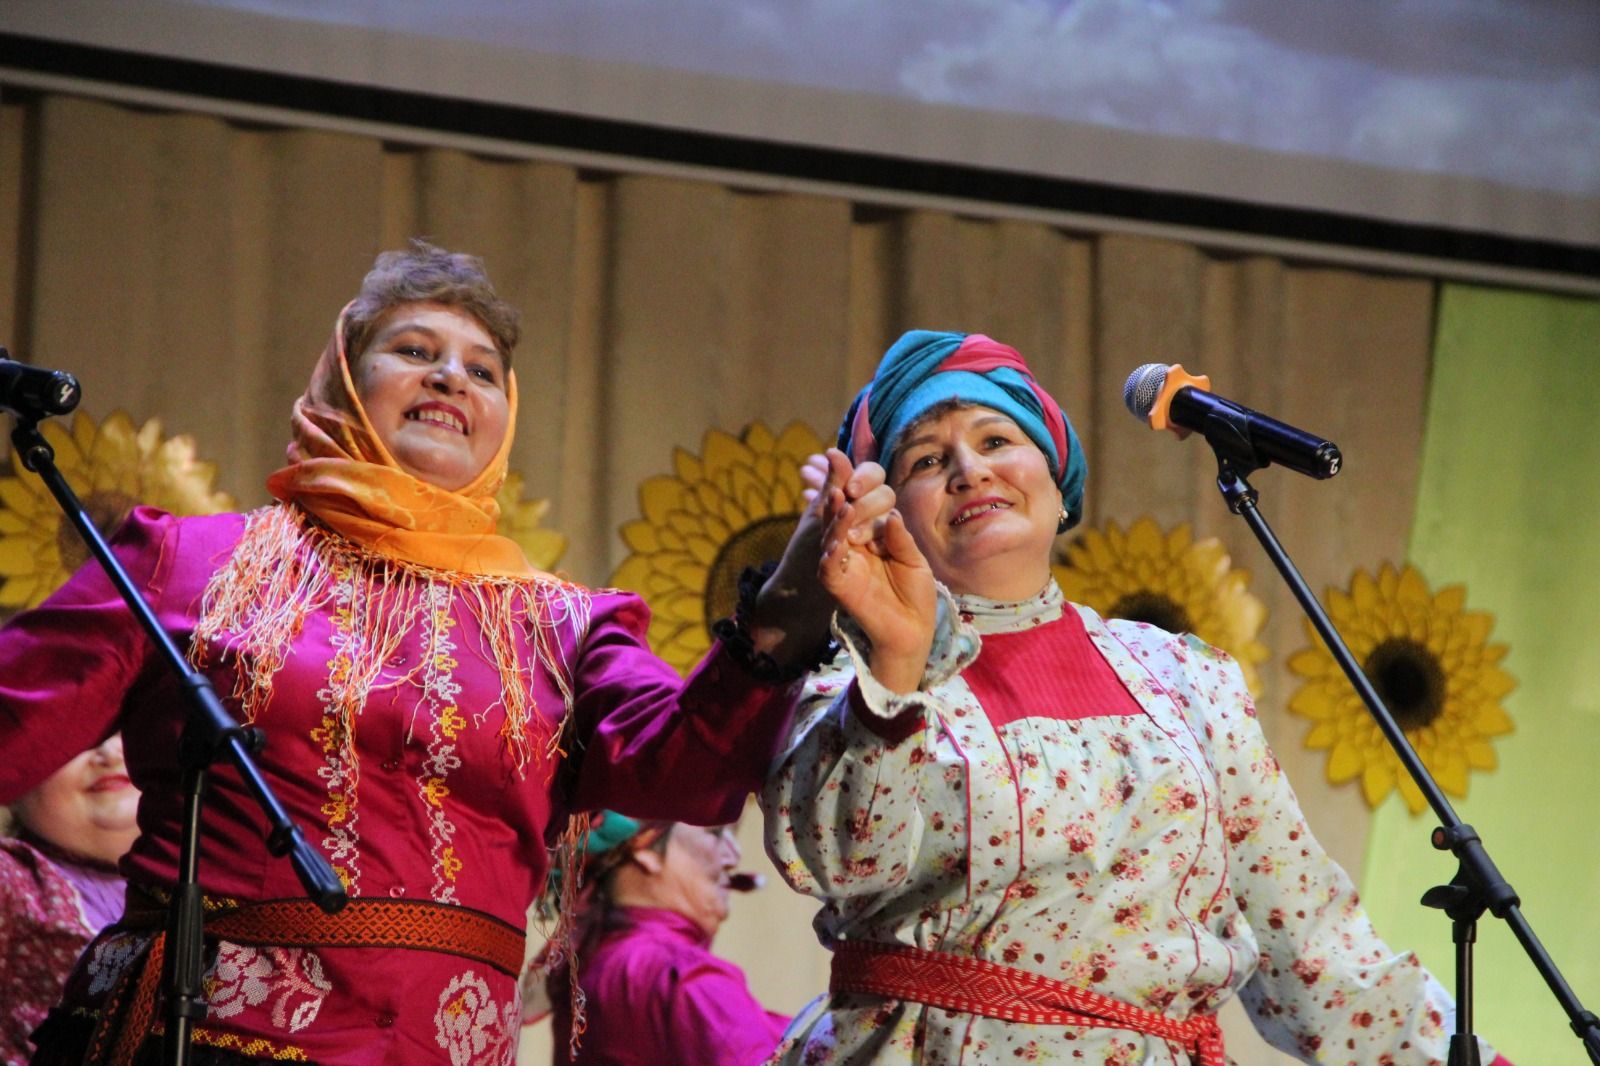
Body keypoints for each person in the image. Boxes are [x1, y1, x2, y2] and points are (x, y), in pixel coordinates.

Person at [0, 241, 886, 1065]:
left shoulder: (566, 626)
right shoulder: (188, 563)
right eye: (414, 350)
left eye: (484, 370)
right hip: (204, 1038)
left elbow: (684, 770)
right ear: (345, 381)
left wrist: (791, 600)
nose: (451, 376)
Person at [760, 330, 1511, 1064]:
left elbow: (1307, 939)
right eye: (927, 459)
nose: (968, 470)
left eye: (996, 441)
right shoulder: (865, 677)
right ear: (890, 520)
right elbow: (840, 862)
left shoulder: (1186, 678)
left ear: (1059, 487)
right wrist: (894, 662)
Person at [530, 811, 788, 1065]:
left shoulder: (583, 972)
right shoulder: (682, 977)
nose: (733, 856)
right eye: (716, 832)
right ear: (646, 850)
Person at [1, 734, 139, 1065]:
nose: (108, 752)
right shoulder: (14, 878)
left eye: (123, 729)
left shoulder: (220, 878)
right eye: (79, 735)